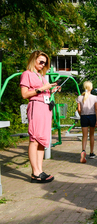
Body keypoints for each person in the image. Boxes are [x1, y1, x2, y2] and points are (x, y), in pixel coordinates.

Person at [20, 50, 59, 183]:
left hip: (45, 107)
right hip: (36, 106)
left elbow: (43, 90)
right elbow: (25, 94)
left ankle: (40, 170)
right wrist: (42, 89)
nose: (43, 65)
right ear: (33, 60)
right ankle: (35, 172)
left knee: (42, 141)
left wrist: (51, 89)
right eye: (41, 62)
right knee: (34, 139)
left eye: (45, 63)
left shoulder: (41, 76)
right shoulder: (27, 74)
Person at [76, 81, 97, 163]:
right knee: (91, 135)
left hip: (84, 117)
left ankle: (83, 150)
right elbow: (96, 109)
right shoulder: (94, 97)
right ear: (91, 88)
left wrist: (81, 115)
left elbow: (79, 109)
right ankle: (92, 153)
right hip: (92, 116)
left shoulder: (79, 97)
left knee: (84, 136)